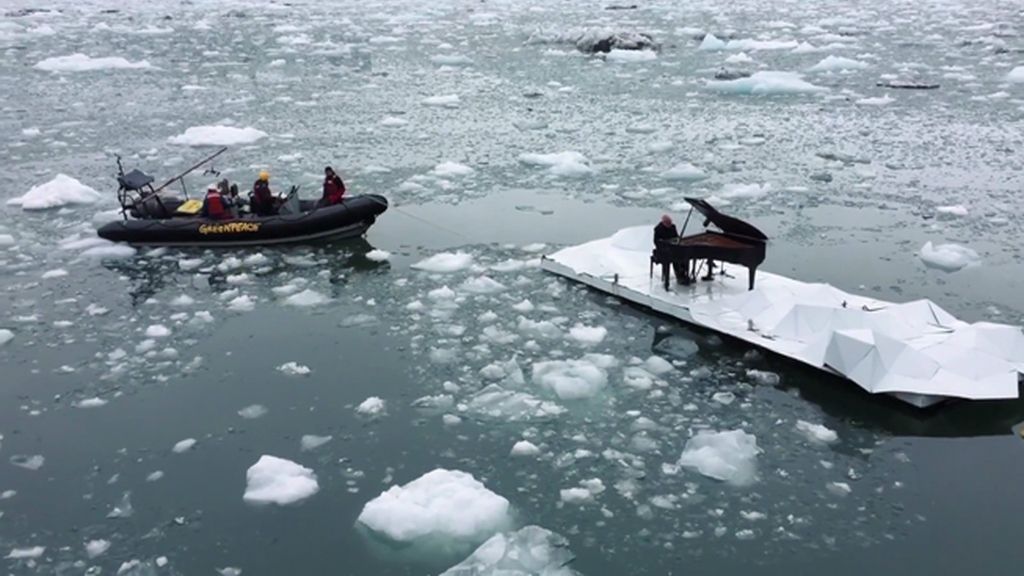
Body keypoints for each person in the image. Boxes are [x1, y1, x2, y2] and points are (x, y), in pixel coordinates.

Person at [652, 214, 686, 289]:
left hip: (673, 248)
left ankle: (682, 275)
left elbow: (676, 237)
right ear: (663, 222)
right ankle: (668, 276)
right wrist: (664, 244)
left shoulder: (673, 227)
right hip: (663, 250)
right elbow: (656, 242)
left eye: (670, 223)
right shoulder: (658, 229)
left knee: (684, 256)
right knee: (674, 259)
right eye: (668, 223)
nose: (670, 224)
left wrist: (677, 240)